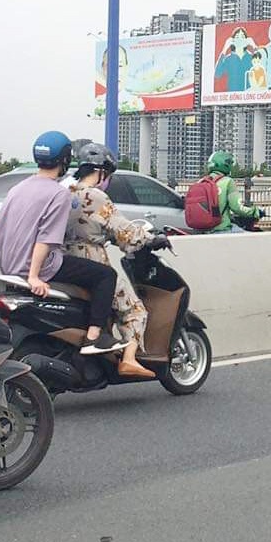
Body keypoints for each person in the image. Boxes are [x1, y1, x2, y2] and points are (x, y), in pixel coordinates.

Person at [0, 131, 119, 350]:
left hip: (8, 266)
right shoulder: (58, 194)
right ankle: (94, 335)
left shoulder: (17, 188)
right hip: (38, 268)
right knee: (106, 275)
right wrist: (33, 277)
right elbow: (46, 239)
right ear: (65, 159)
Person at [67, 142, 161, 379]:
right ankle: (129, 359)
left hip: (64, 259)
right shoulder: (96, 196)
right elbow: (125, 233)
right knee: (135, 309)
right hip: (92, 259)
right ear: (100, 171)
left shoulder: (66, 192)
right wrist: (152, 239)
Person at [198, 151, 264, 232]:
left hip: (200, 230)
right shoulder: (228, 182)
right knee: (249, 238)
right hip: (221, 229)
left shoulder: (201, 182)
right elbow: (237, 208)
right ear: (225, 165)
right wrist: (255, 211)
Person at [214, 28, 254, 94]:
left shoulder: (251, 57)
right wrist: (224, 49)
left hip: (249, 96)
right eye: (237, 37)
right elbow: (217, 74)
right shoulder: (228, 59)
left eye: (243, 37)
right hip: (233, 97)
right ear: (232, 41)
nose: (240, 39)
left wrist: (254, 46)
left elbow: (263, 70)